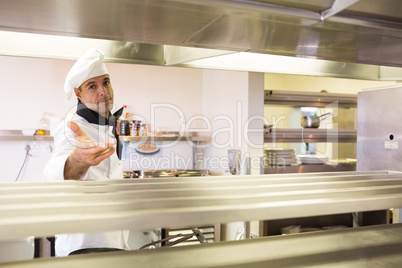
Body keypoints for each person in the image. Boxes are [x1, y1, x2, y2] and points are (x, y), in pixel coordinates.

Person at [43, 48, 129, 257]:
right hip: (82, 245)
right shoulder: (70, 126)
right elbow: (54, 174)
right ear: (78, 94)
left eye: (106, 82)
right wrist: (78, 160)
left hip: (116, 240)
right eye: (92, 86)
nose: (103, 91)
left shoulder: (108, 122)